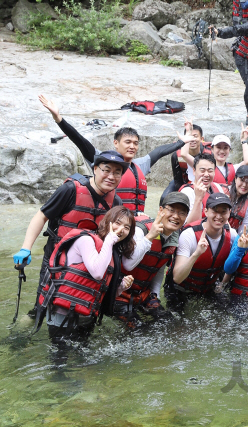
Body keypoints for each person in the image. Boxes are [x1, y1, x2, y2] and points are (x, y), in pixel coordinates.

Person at [13, 151, 129, 318]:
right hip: (56, 260)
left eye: (117, 173)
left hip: (89, 263)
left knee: (82, 308)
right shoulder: (70, 190)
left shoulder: (115, 202)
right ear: (95, 169)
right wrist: (26, 248)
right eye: (106, 170)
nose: (111, 176)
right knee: (42, 306)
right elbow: (42, 215)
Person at [39, 95, 182, 213]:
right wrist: (58, 119)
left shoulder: (140, 165)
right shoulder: (102, 160)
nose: (132, 146)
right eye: (127, 142)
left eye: (135, 143)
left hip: (134, 224)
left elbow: (160, 151)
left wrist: (182, 142)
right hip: (110, 222)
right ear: (116, 143)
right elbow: (79, 140)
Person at [34, 206, 137, 337]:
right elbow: (98, 273)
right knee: (60, 354)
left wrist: (121, 287)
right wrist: (110, 240)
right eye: (118, 223)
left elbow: (102, 292)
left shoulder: (110, 251)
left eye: (127, 228)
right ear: (107, 221)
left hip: (86, 314)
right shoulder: (86, 240)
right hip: (63, 311)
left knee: (82, 355)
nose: (121, 229)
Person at [115, 192, 191, 326]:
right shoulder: (140, 229)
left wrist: (155, 294)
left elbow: (159, 267)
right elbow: (128, 265)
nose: (175, 216)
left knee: (168, 323)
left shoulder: (174, 237)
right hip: (119, 293)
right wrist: (150, 236)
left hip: (143, 294)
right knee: (137, 329)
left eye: (182, 213)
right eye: (171, 210)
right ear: (161, 210)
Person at [167, 193, 238, 304]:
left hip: (208, 289)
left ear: (229, 213)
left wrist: (222, 285)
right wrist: (196, 254)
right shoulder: (189, 235)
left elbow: (233, 267)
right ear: (206, 212)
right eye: (214, 211)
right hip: (181, 289)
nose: (219, 216)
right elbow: (177, 278)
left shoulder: (232, 235)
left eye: (223, 211)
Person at [177, 128, 248, 188]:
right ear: (212, 149)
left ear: (229, 150)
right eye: (218, 147)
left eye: (225, 148)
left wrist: (244, 141)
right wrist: (188, 133)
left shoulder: (233, 168)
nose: (222, 151)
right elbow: (184, 154)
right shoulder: (201, 165)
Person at [163, 121, 212, 201]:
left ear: (201, 139)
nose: (192, 140)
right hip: (184, 182)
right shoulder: (176, 155)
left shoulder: (209, 153)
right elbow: (178, 181)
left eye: (195, 136)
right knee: (164, 198)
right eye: (189, 136)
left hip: (203, 182)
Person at [180, 153, 227, 225]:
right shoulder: (187, 192)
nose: (206, 174)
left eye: (210, 171)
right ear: (194, 171)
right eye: (202, 170)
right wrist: (198, 198)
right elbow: (188, 226)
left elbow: (224, 219)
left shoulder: (218, 188)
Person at [227, 165, 248, 233]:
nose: (244, 185)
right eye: (242, 180)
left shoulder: (247, 208)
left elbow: (241, 233)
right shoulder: (222, 192)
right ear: (235, 179)